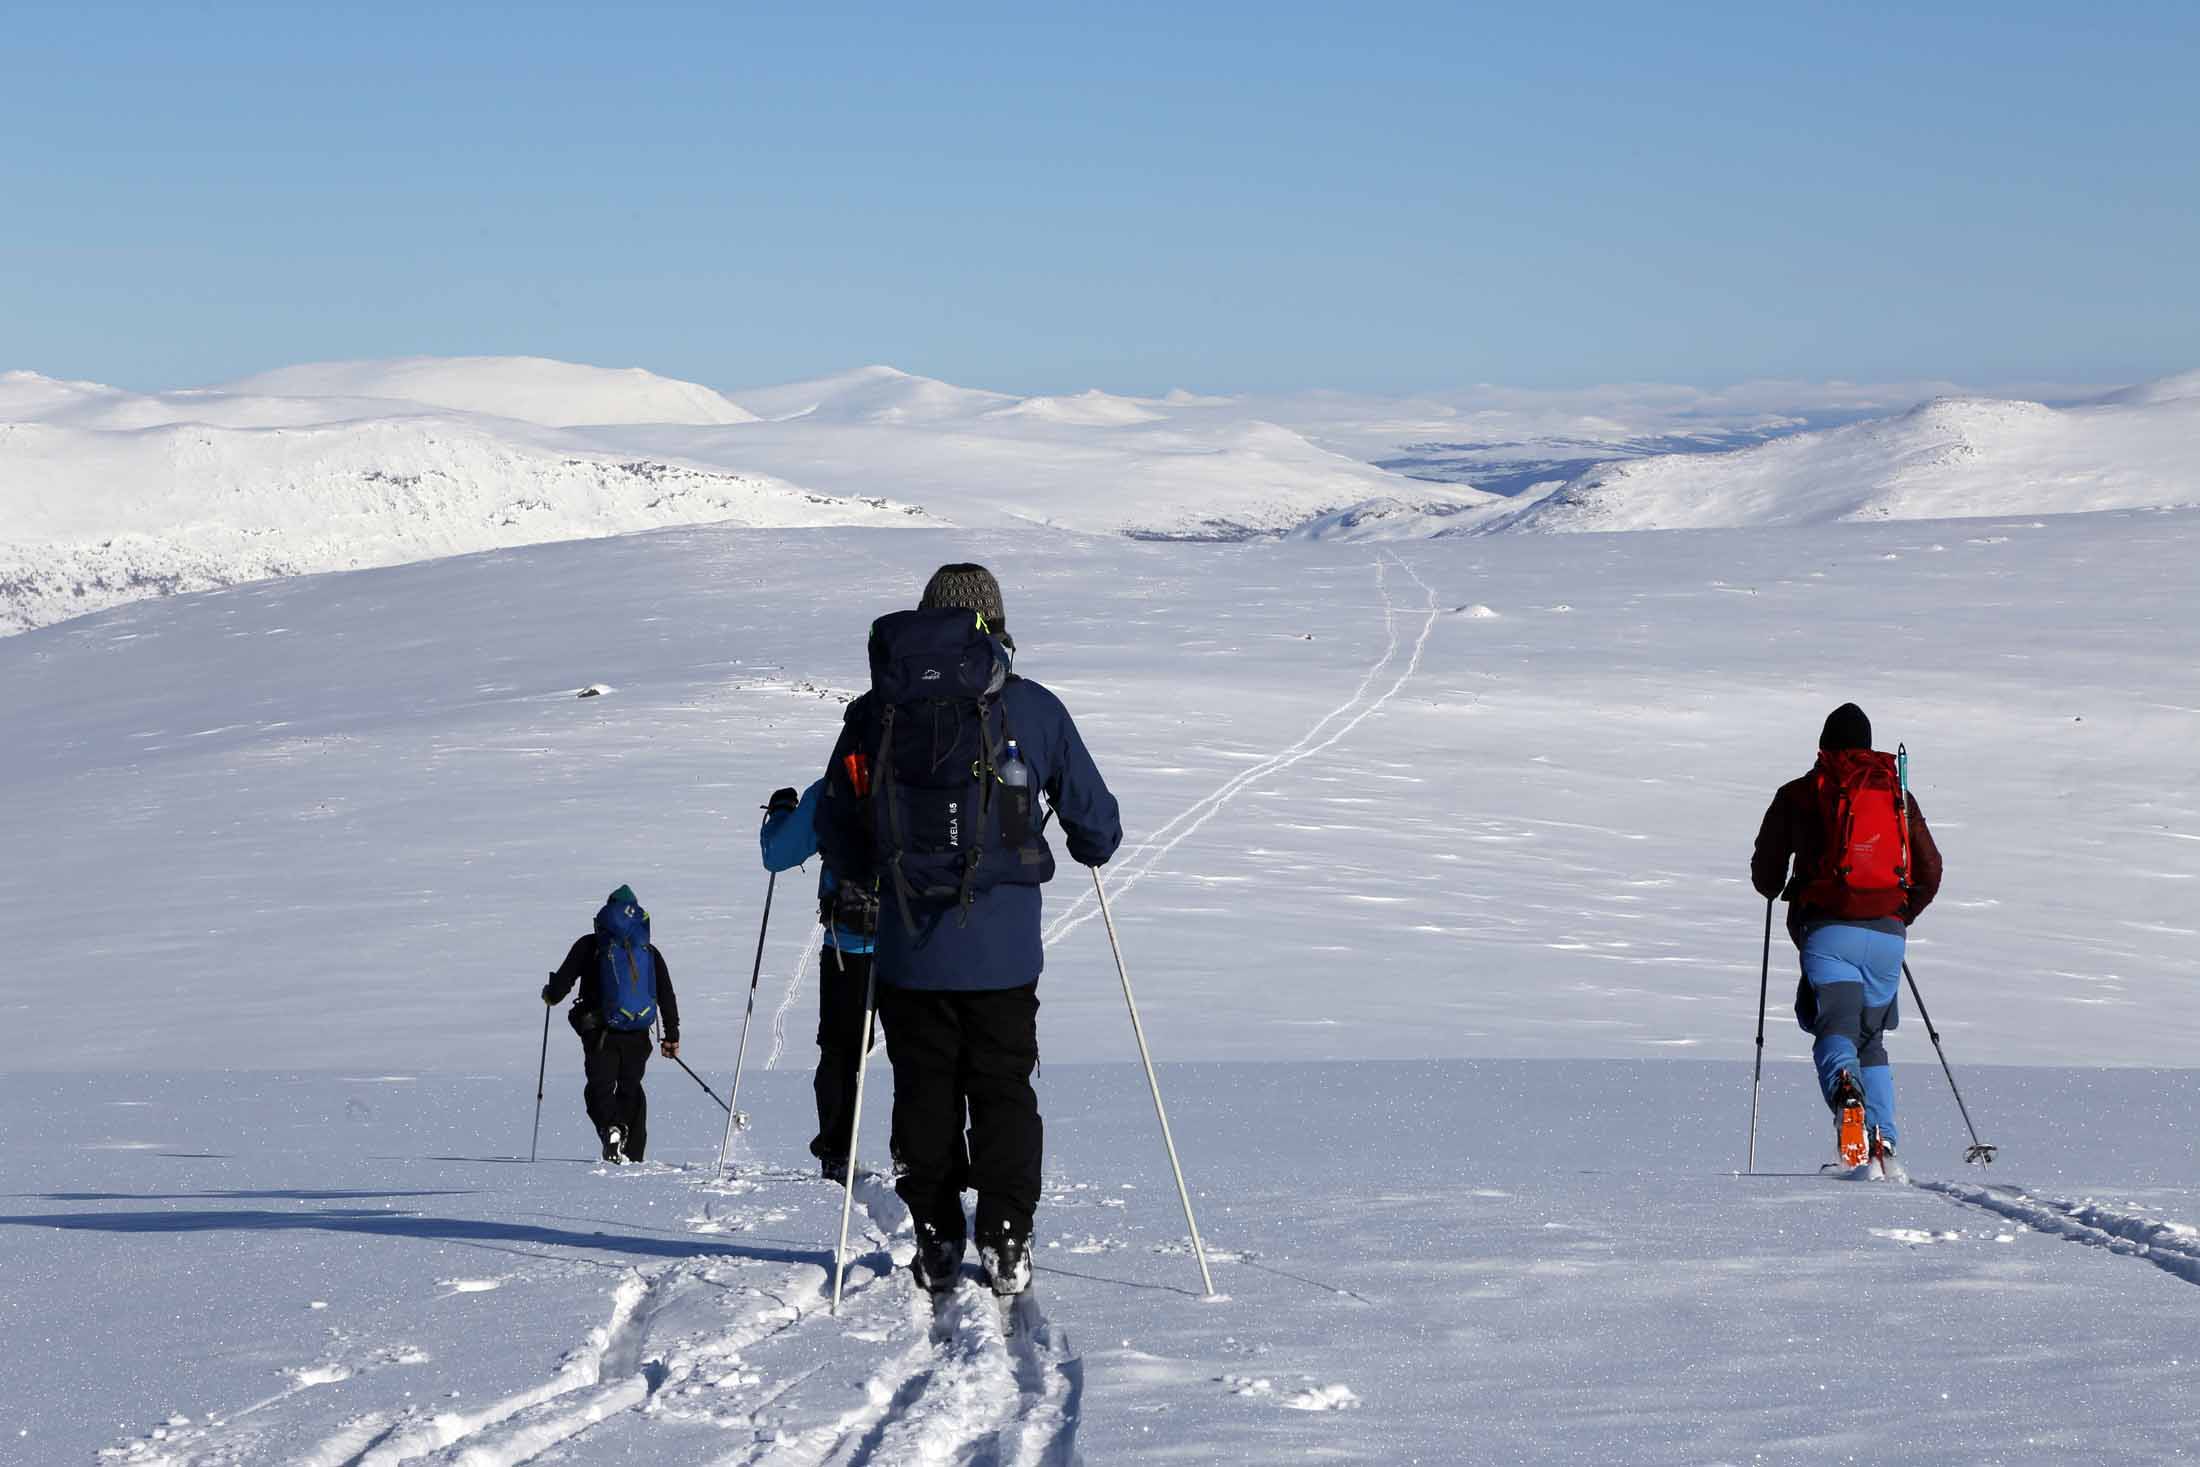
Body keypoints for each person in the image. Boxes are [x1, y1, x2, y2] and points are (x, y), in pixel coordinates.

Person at [816, 563, 1122, 1298]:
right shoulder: (1034, 710)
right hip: (1005, 952)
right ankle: (1007, 1233)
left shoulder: (874, 714)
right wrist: (1081, 843)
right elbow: (1098, 826)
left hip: (908, 948)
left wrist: (876, 873)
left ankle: (938, 1233)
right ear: (996, 625)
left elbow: (836, 820)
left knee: (923, 1088)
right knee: (1003, 1086)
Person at [1751, 704, 1942, 1180]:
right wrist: (1899, 913)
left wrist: (1782, 884)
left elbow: (1766, 875)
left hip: (1828, 930)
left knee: (1835, 1026)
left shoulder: (1800, 793)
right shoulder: (1896, 794)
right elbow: (1931, 868)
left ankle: (1845, 1091)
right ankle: (1884, 1139)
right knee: (1871, 1037)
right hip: (1887, 935)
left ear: (1823, 745)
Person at [759, 781, 884, 1181]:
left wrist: (780, 813)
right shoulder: (928, 768)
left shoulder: (836, 783)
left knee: (841, 1052)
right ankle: (915, 1158)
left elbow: (777, 854)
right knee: (923, 1054)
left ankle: (836, 1152)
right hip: (918, 942)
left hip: (850, 944)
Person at [541, 884, 681, 1165]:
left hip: (599, 1035)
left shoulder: (589, 944)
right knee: (631, 1090)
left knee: (598, 1090)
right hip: (638, 1034)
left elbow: (559, 989)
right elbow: (665, 993)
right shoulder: (648, 951)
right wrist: (671, 1036)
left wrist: (550, 993)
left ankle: (611, 1130)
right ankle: (633, 1155)